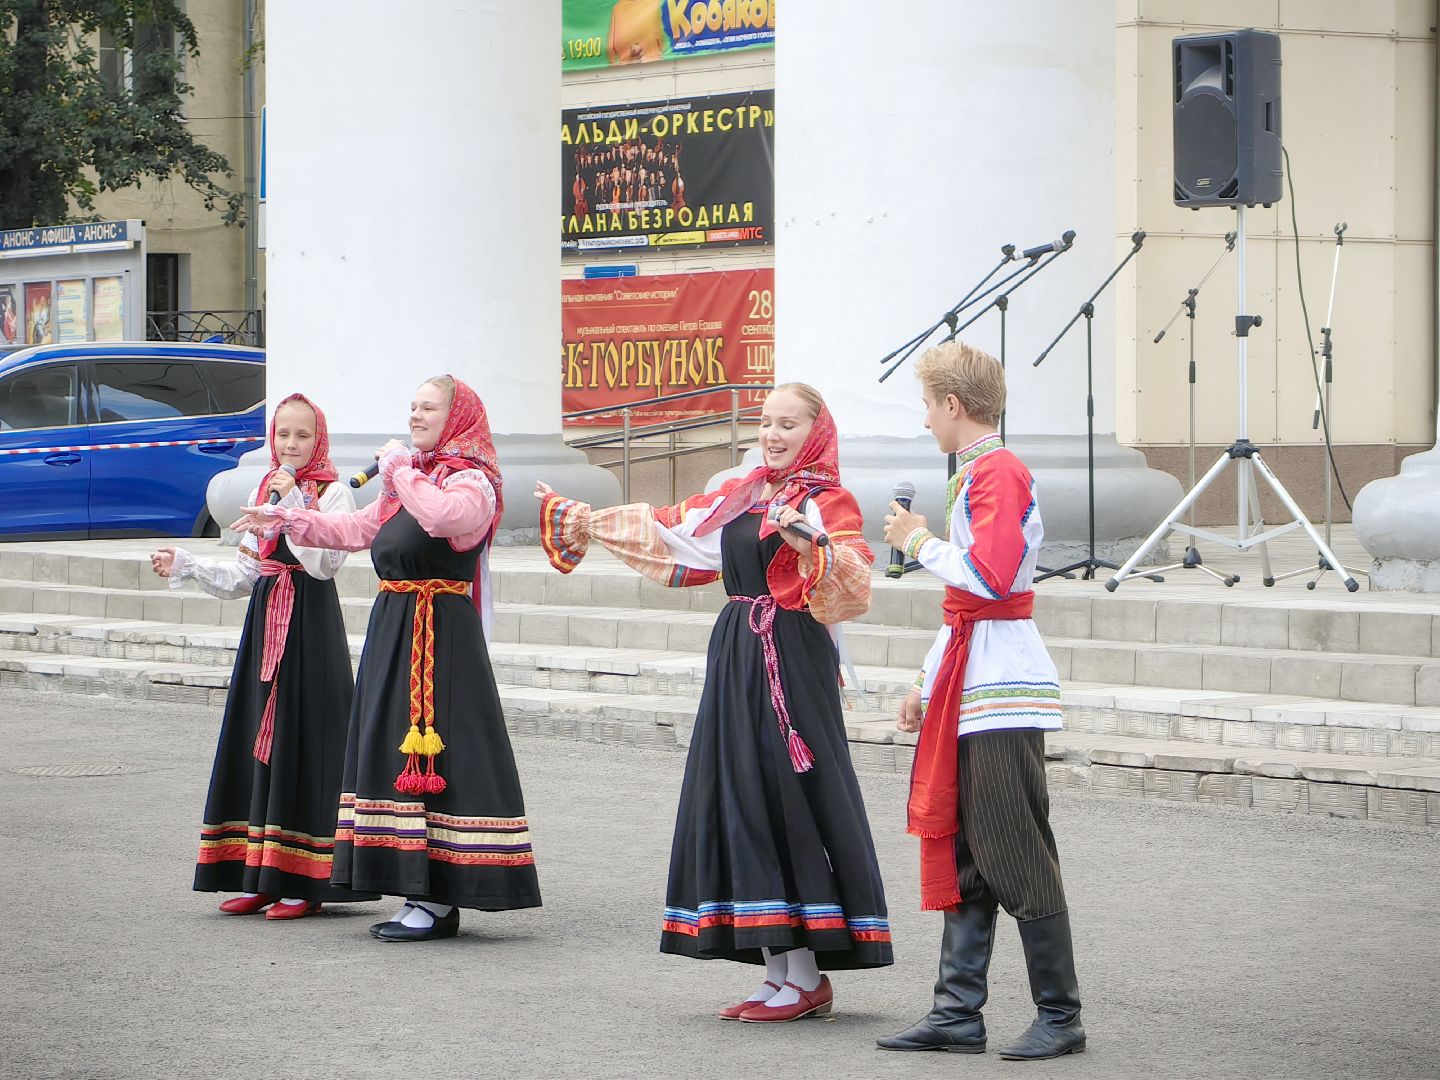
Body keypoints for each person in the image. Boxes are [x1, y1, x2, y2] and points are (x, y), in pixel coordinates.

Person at [536, 383, 892, 1023]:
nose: (773, 435)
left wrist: (811, 542)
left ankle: (806, 975)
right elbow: (678, 534)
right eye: (766, 422)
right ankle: (778, 967)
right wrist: (587, 520)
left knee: (788, 795)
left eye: (788, 424)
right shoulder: (744, 493)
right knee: (741, 795)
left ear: (815, 432)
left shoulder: (827, 500)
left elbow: (855, 577)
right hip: (737, 652)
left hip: (791, 655)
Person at [231, 375, 541, 942]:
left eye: (429, 408)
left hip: (440, 636)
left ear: (458, 416)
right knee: (387, 747)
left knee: (439, 755)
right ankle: (409, 883)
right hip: (395, 626)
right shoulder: (412, 479)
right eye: (413, 407)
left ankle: (441, 896)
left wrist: (400, 470)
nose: (416, 416)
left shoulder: (475, 481)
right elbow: (357, 528)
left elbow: (445, 520)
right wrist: (292, 519)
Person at [877, 341, 1084, 1060]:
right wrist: (925, 685)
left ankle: (1060, 1015)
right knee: (970, 852)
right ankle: (956, 1013)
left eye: (929, 404)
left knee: (1014, 848)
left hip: (1001, 686)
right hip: (976, 675)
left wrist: (919, 540)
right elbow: (967, 604)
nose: (926, 418)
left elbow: (991, 580)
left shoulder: (997, 470)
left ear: (953, 405)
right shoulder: (980, 472)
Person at [153, 393, 374, 920]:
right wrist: (185, 563)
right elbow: (244, 573)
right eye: (282, 435)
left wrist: (296, 501)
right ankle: (259, 872)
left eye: (302, 436)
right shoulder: (265, 488)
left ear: (318, 439)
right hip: (265, 628)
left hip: (310, 630)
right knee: (259, 744)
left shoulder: (333, 494)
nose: (291, 446)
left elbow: (323, 564)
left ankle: (306, 879)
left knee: (307, 742)